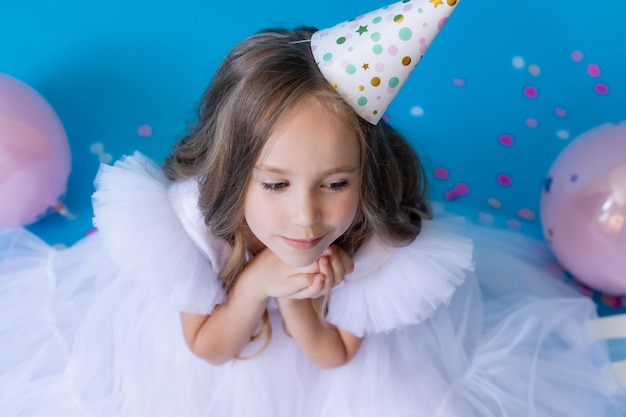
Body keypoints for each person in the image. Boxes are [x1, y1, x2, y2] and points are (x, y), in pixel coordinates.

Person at [2, 1, 626, 416]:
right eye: (274, 185)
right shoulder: (196, 221)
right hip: (226, 344)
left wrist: (297, 294)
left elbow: (332, 356)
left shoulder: (382, 237)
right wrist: (253, 285)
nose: (306, 218)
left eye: (334, 183)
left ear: (368, 173)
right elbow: (209, 349)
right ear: (232, 169)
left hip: (321, 349)